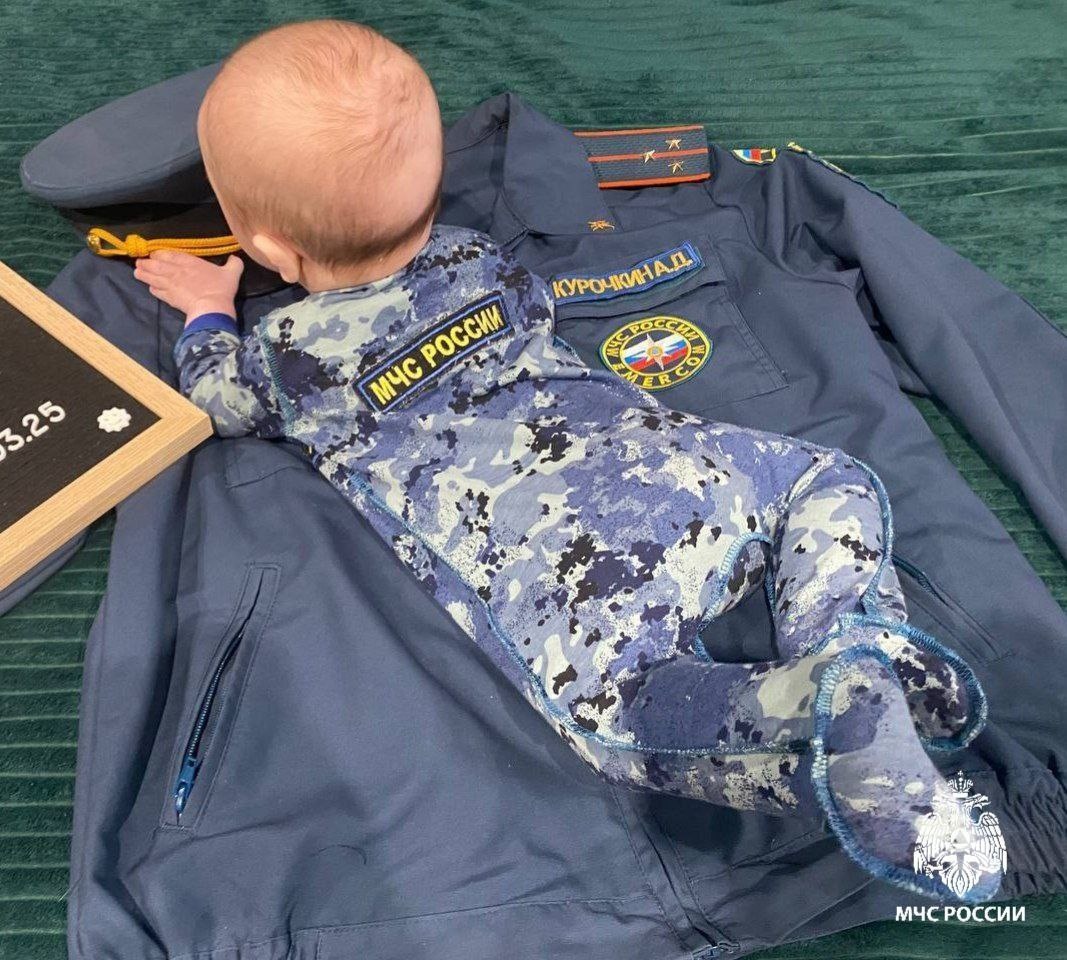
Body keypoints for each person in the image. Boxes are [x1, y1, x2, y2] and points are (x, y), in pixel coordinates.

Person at [133, 18, 995, 901]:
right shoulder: (478, 259)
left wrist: (209, 313)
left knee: (623, 719)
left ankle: (814, 722)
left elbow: (217, 400)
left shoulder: (289, 359)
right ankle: (855, 644)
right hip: (675, 465)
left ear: (268, 248)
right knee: (822, 482)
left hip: (561, 572)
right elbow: (530, 316)